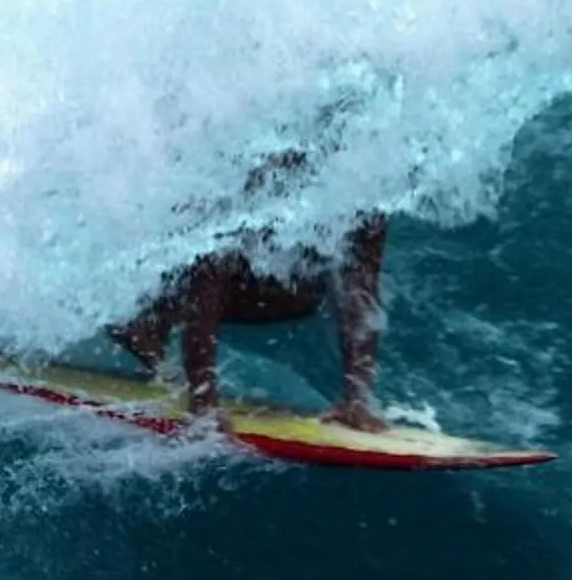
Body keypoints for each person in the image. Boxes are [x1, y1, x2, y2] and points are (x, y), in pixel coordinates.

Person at [112, 155, 390, 431]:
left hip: (249, 271)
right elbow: (207, 271)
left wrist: (357, 397)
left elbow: (360, 290)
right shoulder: (262, 170)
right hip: (161, 245)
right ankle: (143, 324)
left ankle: (149, 329)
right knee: (210, 259)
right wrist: (203, 401)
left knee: (307, 295)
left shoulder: (363, 186)